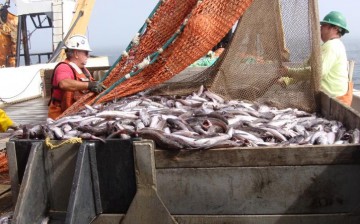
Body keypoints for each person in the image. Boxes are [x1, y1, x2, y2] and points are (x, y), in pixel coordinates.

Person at [279, 11, 352, 106]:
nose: (320, 28)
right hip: (327, 97)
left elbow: (317, 72)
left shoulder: (332, 46)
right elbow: (307, 67)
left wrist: (289, 72)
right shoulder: (326, 46)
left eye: (324, 25)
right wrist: (287, 80)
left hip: (335, 101)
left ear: (335, 28)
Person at [48, 34, 106, 119]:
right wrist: (89, 85)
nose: (88, 56)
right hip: (60, 118)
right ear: (76, 53)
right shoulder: (63, 67)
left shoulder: (83, 70)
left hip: (75, 116)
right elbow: (64, 83)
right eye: (86, 53)